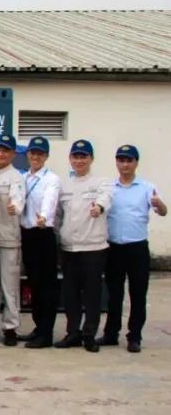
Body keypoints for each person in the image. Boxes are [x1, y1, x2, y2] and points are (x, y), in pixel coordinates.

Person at [99, 145, 166, 353]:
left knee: (138, 294)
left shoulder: (146, 187)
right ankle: (111, 334)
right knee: (114, 294)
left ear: (136, 163)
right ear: (116, 162)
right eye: (121, 160)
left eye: (129, 160)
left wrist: (159, 203)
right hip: (114, 248)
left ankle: (134, 336)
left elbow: (163, 211)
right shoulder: (109, 188)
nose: (125, 164)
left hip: (137, 248)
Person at [54, 139, 113, 353]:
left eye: (83, 157)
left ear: (91, 159)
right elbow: (58, 215)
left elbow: (106, 198)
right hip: (70, 248)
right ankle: (73, 333)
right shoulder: (64, 185)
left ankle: (89, 335)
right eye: (75, 157)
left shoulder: (101, 183)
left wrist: (99, 207)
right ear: (70, 159)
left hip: (93, 248)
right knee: (70, 294)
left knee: (92, 294)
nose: (79, 161)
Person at [18, 136, 62, 349]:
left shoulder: (51, 179)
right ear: (28, 154)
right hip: (27, 235)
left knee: (46, 287)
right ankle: (38, 327)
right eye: (33, 153)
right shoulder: (23, 178)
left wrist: (44, 216)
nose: (35, 157)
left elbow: (50, 200)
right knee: (33, 284)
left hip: (43, 233)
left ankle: (46, 334)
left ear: (46, 157)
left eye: (40, 154)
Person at [0, 134, 25, 347]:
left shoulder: (16, 178)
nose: (1, 154)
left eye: (5, 150)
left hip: (8, 239)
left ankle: (10, 327)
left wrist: (14, 207)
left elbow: (18, 200)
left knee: (9, 286)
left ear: (13, 154)